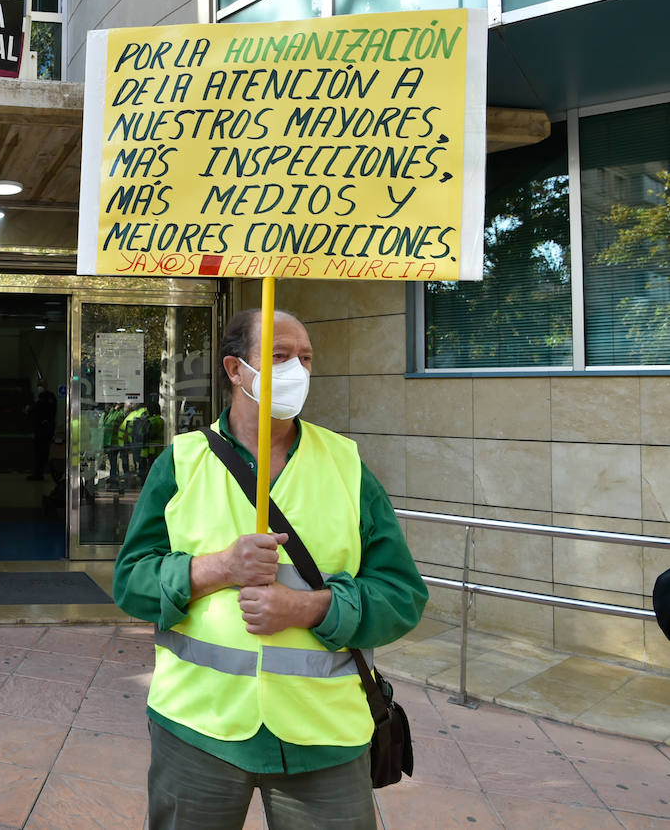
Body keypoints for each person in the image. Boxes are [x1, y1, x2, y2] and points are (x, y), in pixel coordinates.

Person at [113, 309, 428, 830]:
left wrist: (310, 608)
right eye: (279, 357)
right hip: (198, 727)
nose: (297, 371)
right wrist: (219, 568)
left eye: (306, 358)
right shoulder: (183, 462)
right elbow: (131, 581)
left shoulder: (347, 465)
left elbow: (401, 594)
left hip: (323, 737)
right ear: (235, 370)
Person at [25, 377, 57, 480]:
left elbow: (47, 412)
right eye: (38, 385)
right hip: (39, 429)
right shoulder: (39, 398)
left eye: (41, 385)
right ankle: (37, 473)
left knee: (42, 452)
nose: (39, 387)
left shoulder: (48, 398)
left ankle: (39, 473)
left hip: (45, 430)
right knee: (38, 452)